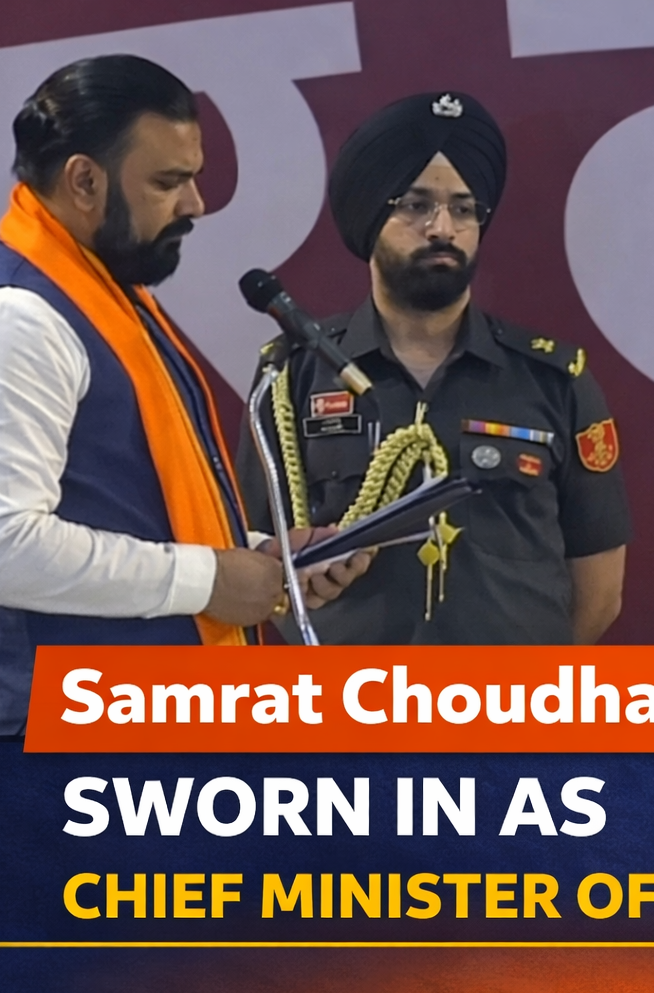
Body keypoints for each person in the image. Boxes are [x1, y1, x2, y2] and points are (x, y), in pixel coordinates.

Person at [0, 55, 366, 734]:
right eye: (170, 182)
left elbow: (117, 503)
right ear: (84, 180)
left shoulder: (106, 293)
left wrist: (260, 554)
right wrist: (209, 581)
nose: (196, 204)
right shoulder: (20, 316)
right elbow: (4, 545)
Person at [236, 92, 631, 646]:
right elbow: (250, 560)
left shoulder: (553, 379)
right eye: (416, 205)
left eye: (464, 209)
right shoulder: (293, 377)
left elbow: (599, 591)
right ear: (372, 217)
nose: (442, 227)